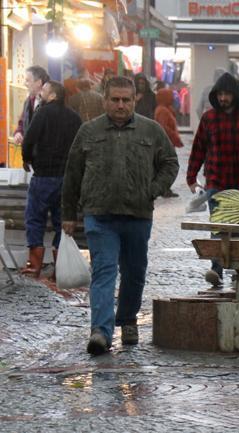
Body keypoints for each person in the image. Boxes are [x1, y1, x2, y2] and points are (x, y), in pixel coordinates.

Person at [61, 76, 179, 355]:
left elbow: (169, 162)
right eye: (115, 99)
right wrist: (68, 213)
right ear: (105, 99)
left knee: (134, 272)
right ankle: (100, 331)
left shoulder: (150, 131)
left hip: (137, 214)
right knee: (103, 271)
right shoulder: (88, 131)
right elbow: (73, 173)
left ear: (135, 100)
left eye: (126, 99)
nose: (121, 105)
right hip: (99, 215)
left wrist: (153, 189)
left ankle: (127, 319)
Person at [187, 72, 239, 287]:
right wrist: (191, 178)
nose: (223, 98)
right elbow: (198, 150)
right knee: (220, 226)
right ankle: (216, 269)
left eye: (227, 94)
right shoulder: (209, 119)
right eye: (220, 94)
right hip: (216, 182)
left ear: (235, 95)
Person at [21, 81, 82, 278]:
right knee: (61, 222)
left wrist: (26, 158)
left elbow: (29, 138)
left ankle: (34, 266)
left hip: (44, 176)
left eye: (45, 91)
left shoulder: (43, 112)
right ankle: (60, 268)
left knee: (35, 220)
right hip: (66, 178)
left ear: (53, 95)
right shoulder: (74, 117)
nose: (41, 93)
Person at [154, 88, 183, 198]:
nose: (172, 98)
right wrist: (174, 137)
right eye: (170, 96)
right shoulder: (163, 110)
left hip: (167, 143)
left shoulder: (165, 109)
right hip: (166, 143)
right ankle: (164, 189)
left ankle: (165, 188)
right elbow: (164, 127)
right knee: (168, 166)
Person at [13, 65, 49, 146]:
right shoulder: (28, 101)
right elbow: (22, 123)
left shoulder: (49, 103)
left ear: (39, 82)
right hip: (30, 154)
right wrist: (18, 133)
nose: (24, 84)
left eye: (27, 80)